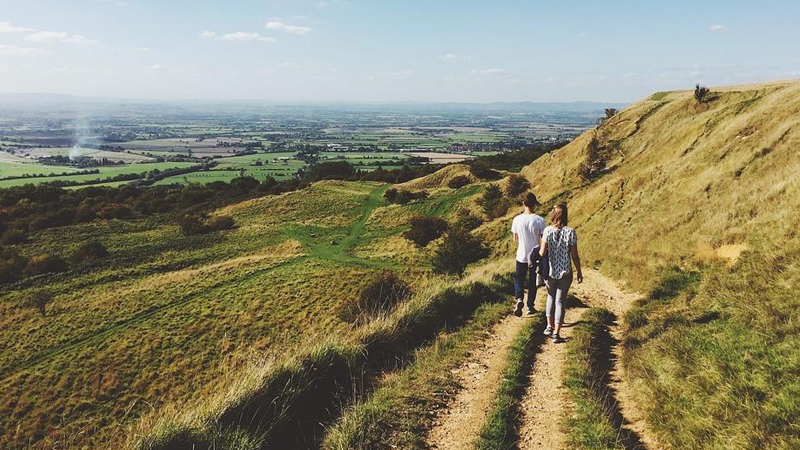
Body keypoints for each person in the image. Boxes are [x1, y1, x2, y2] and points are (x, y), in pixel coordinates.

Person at [539, 203, 582, 343]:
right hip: (565, 272)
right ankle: (556, 333)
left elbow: (542, 252)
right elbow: (574, 255)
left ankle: (548, 326)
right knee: (560, 302)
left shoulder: (547, 231)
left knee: (550, 297)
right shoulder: (571, 232)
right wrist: (579, 272)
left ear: (554, 215)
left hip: (550, 272)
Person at [511, 192, 545, 317]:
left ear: (523, 203)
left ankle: (519, 298)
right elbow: (543, 239)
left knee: (519, 278)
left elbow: (515, 238)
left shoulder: (517, 219)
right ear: (534, 204)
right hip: (535, 255)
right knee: (532, 282)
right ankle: (530, 306)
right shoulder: (540, 220)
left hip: (521, 254)